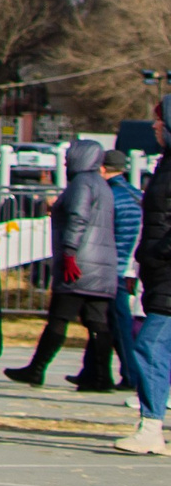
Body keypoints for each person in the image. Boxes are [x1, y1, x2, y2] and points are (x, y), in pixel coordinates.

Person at [7, 140, 121, 392]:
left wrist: (69, 252)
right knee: (97, 322)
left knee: (59, 318)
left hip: (80, 265)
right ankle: (102, 375)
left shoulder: (81, 184)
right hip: (101, 266)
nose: (67, 163)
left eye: (70, 158)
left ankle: (36, 369)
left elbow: (77, 218)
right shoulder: (102, 185)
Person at [121, 98, 171, 454]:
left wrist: (157, 252)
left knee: (149, 344)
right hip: (159, 273)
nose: (154, 127)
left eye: (159, 122)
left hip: (167, 272)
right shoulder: (165, 164)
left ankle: (151, 427)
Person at [106, 150, 142, 394]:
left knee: (119, 324)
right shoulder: (137, 195)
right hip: (130, 264)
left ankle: (130, 373)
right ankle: (94, 370)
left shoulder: (109, 195)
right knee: (104, 320)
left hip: (114, 264)